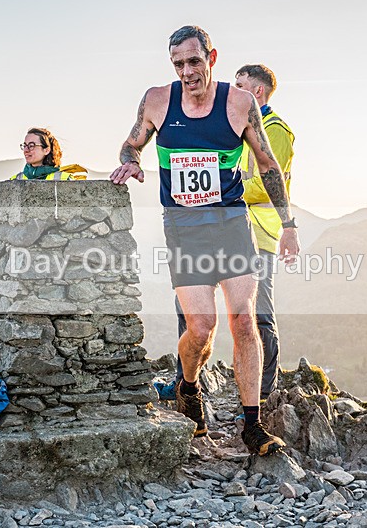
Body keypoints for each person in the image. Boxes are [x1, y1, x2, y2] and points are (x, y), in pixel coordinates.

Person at [111, 26, 300, 456]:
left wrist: (288, 225)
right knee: (200, 327)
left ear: (211, 58)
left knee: (243, 321)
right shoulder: (158, 100)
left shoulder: (239, 104)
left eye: (194, 61)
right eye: (178, 64)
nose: (187, 72)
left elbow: (268, 165)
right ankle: (189, 387)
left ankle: (251, 425)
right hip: (184, 227)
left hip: (232, 222)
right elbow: (130, 143)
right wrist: (132, 163)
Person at [157, 63, 295, 408]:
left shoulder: (275, 129)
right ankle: (185, 386)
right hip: (208, 227)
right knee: (192, 317)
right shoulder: (229, 120)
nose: (232, 89)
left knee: (255, 317)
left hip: (255, 232)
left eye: (240, 84)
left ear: (257, 92)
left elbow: (268, 179)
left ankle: (262, 396)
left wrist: (221, 186)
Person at [9, 127, 87, 180]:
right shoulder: (15, 180)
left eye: (31, 145)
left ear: (46, 150)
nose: (26, 150)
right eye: (25, 145)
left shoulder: (64, 179)